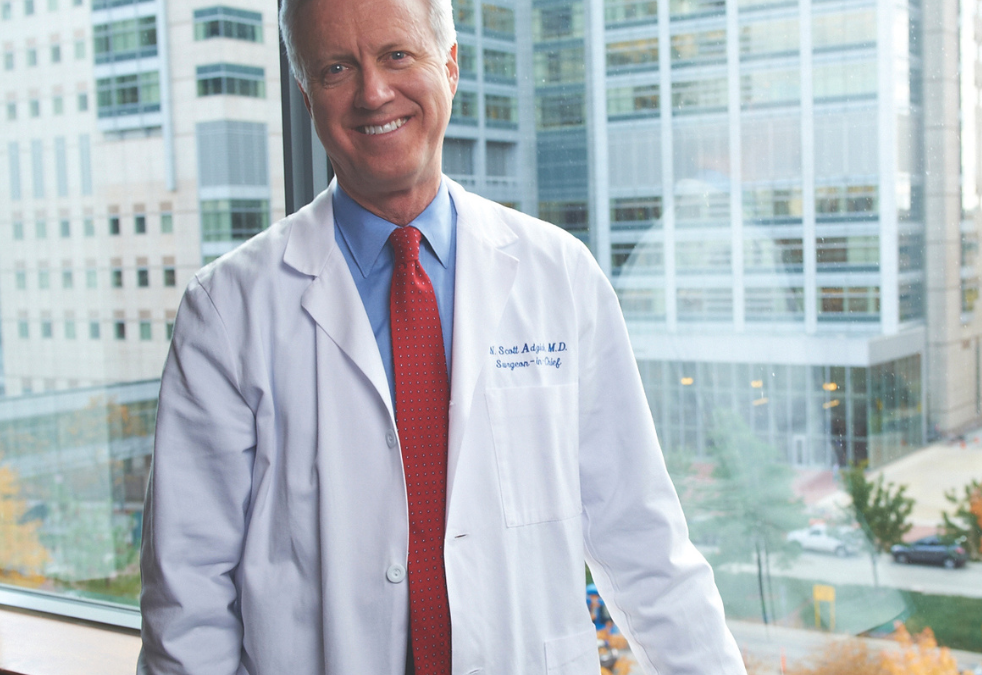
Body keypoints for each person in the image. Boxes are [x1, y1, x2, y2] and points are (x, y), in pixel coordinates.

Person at [137, 0, 747, 672]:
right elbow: (187, 601)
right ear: (308, 96)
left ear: (450, 66)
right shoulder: (228, 310)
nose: (373, 93)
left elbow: (644, 540)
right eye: (337, 67)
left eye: (398, 55)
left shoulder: (560, 275)